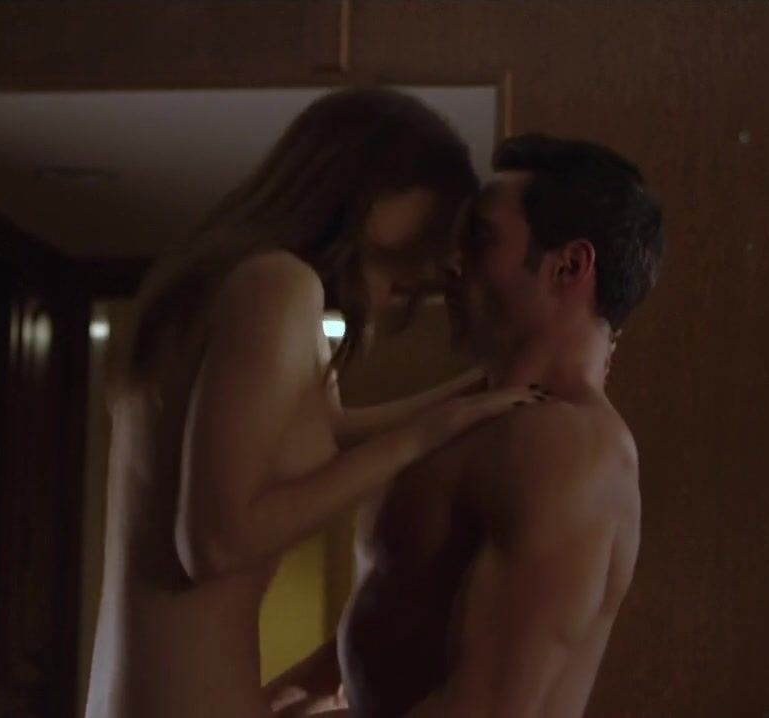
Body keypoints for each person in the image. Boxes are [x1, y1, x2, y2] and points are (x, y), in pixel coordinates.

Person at [84, 88, 540, 718]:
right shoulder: (277, 284)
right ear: (370, 187)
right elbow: (216, 543)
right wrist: (423, 437)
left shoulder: (229, 284)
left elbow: (328, 434)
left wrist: (485, 388)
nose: (442, 259)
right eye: (437, 221)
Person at [270, 134, 665, 718]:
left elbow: (484, 707)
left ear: (569, 266)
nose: (451, 263)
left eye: (479, 239)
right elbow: (400, 621)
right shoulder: (480, 416)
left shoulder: (566, 446)